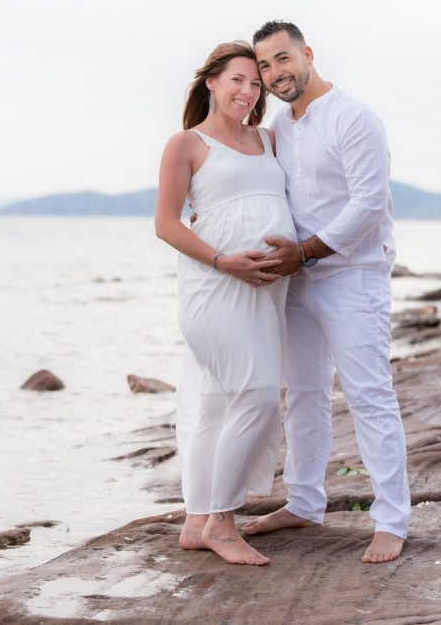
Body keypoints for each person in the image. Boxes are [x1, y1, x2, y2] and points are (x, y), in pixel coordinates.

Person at [242, 21, 412, 564]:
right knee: (303, 394)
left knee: (368, 396)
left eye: (282, 59)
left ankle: (392, 520)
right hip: (298, 279)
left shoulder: (353, 117)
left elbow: (366, 205)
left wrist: (308, 250)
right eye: (264, 66)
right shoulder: (279, 125)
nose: (274, 74)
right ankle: (304, 502)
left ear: (307, 54)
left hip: (352, 276)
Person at [154, 41, 297, 566]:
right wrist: (224, 261)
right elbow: (166, 223)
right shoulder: (186, 143)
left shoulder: (268, 138)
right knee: (257, 399)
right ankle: (223, 522)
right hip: (215, 287)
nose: (248, 90)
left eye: (255, 83)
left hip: (267, 290)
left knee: (216, 403)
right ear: (211, 82)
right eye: (237, 79)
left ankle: (196, 521)